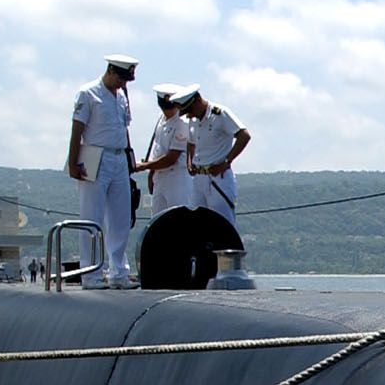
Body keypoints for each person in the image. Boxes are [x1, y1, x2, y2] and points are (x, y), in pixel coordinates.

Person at [66, 54, 138, 287]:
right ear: (110, 71)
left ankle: (119, 272)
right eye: (121, 79)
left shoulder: (121, 97)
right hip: (94, 156)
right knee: (92, 216)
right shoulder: (88, 94)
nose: (123, 84)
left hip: (118, 158)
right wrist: (73, 161)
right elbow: (77, 129)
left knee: (120, 218)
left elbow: (123, 129)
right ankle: (91, 273)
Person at [179, 85, 250, 226]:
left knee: (222, 223)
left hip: (217, 178)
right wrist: (189, 161)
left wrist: (227, 161)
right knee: (197, 224)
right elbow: (191, 142)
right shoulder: (193, 120)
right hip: (198, 178)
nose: (189, 115)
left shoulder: (219, 114)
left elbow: (244, 135)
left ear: (198, 100)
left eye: (190, 110)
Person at [137, 84, 195, 213]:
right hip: (160, 176)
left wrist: (144, 166)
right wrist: (151, 173)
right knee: (158, 219)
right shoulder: (161, 120)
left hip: (177, 177)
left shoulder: (182, 123)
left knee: (178, 217)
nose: (168, 112)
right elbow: (158, 149)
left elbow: (171, 158)